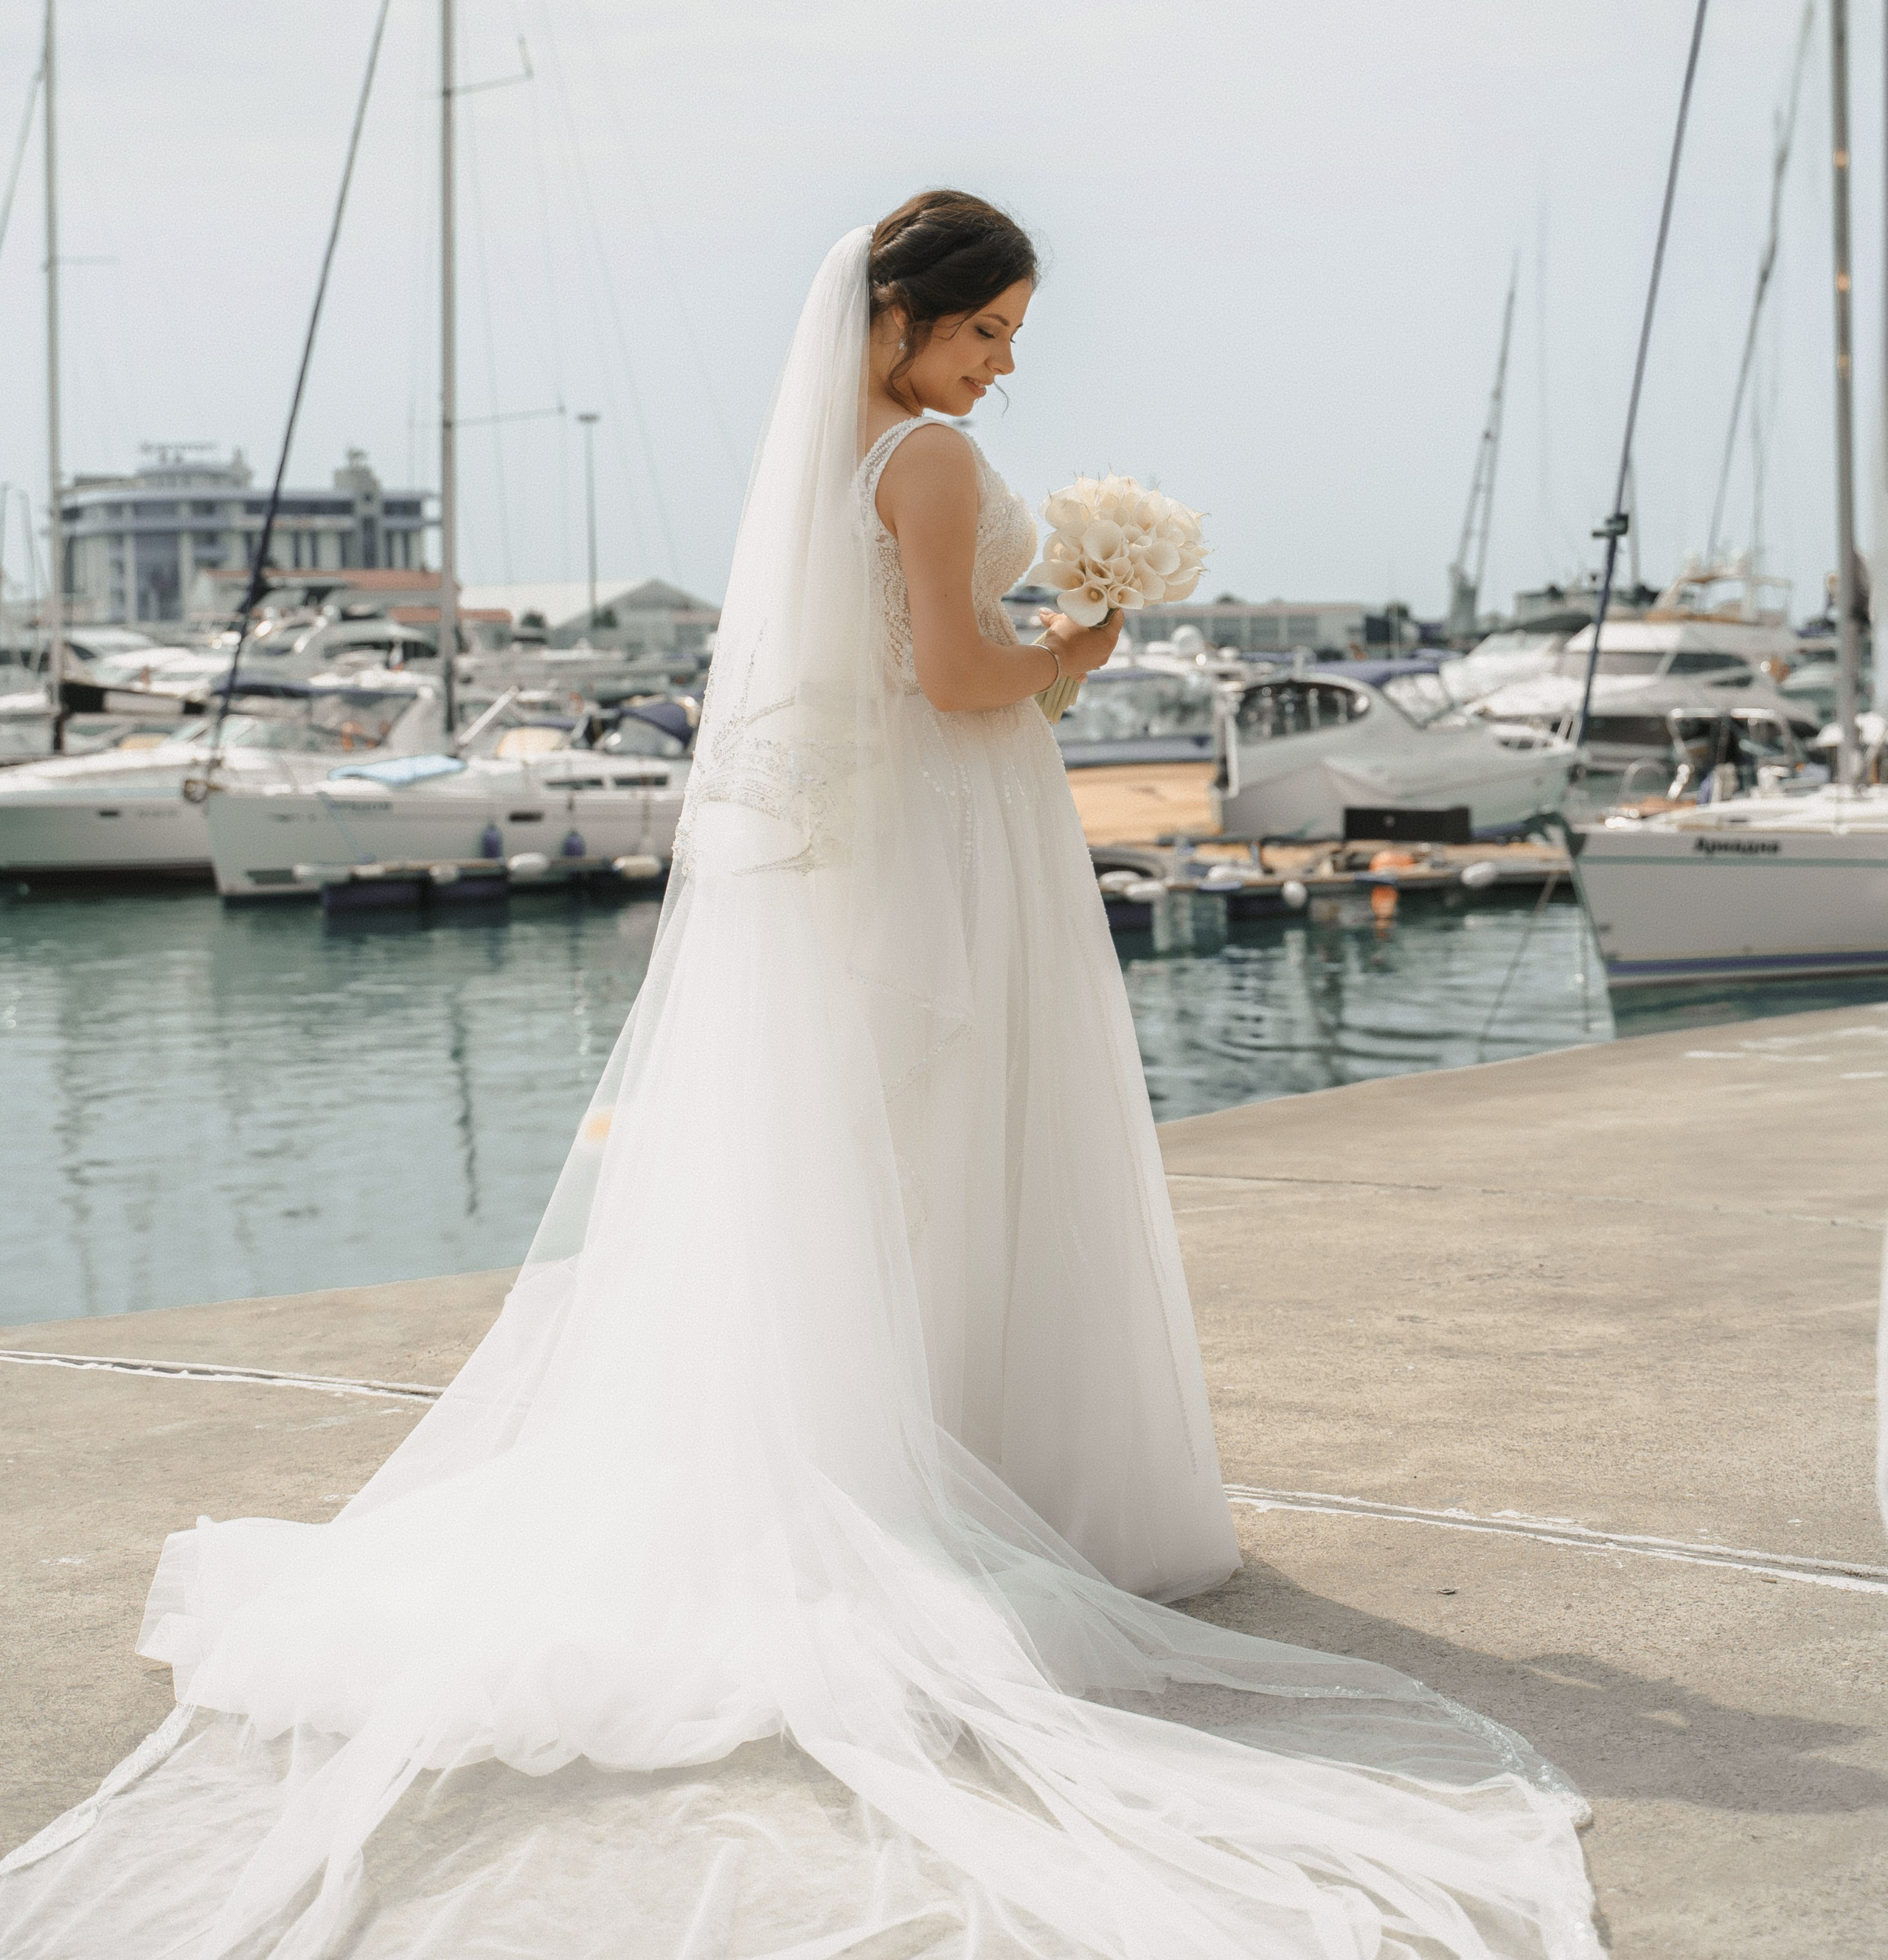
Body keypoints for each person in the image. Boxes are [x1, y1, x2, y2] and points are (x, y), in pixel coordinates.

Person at [0, 199, 1599, 1958]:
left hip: (887, 840)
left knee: (887, 1165)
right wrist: (1077, 644)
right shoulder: (916, 459)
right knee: (961, 1147)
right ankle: (969, 1483)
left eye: (1007, 340)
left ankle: (921, 1459)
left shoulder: (840, 453)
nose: (999, 369)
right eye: (984, 332)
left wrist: (1034, 641)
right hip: (945, 839)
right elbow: (960, 674)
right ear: (900, 320)